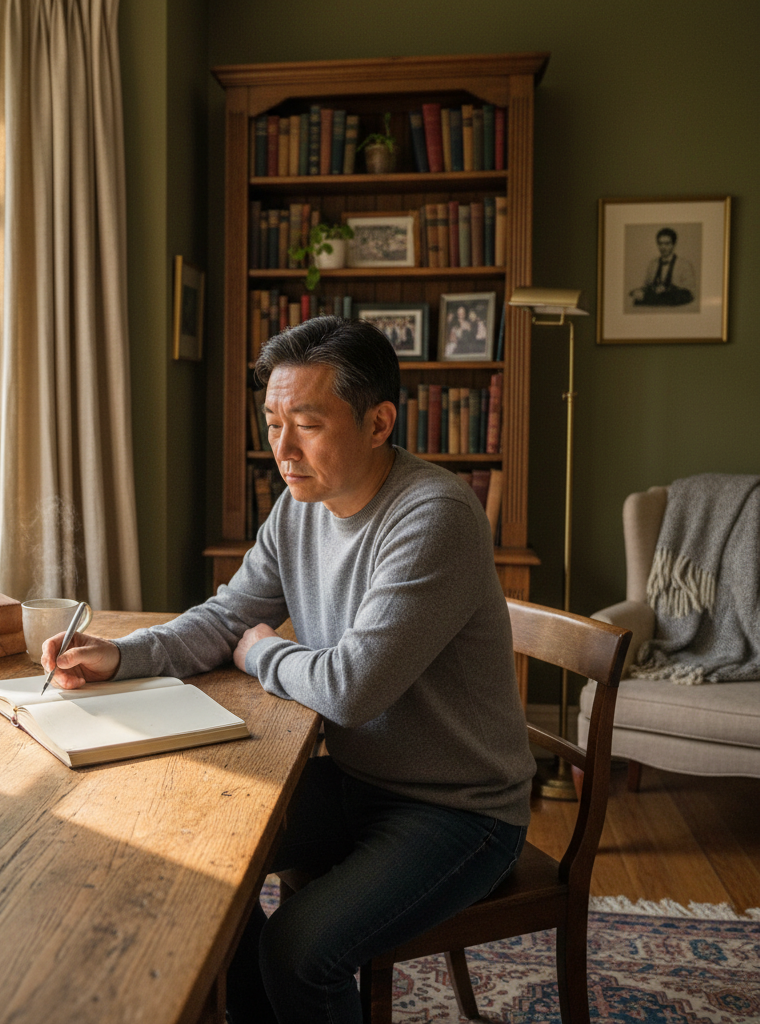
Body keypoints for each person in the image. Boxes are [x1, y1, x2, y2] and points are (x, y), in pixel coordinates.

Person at [42, 316, 536, 1024]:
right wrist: (122, 654)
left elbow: (352, 687)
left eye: (305, 423)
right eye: (272, 422)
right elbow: (225, 615)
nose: (281, 447)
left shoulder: (435, 517)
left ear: (378, 423)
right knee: (199, 868)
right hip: (363, 780)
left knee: (301, 952)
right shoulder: (299, 507)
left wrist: (259, 652)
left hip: (460, 811)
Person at [630, 227, 696, 306]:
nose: (663, 247)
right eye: (660, 244)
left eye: (667, 244)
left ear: (674, 244)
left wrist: (668, 290)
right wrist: (639, 291)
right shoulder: (652, 264)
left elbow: (690, 292)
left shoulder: (684, 265)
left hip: (674, 303)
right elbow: (647, 285)